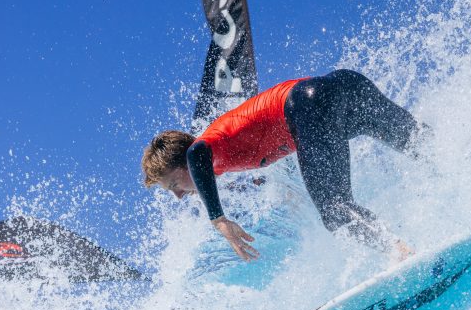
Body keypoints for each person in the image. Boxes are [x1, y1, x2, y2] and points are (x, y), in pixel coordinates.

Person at [142, 69, 428, 261]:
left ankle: (401, 252)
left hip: (309, 104)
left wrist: (218, 219)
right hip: (342, 88)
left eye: (173, 184)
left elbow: (196, 153)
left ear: (184, 164)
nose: (178, 195)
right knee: (421, 145)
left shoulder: (205, 147)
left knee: (334, 212)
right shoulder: (226, 152)